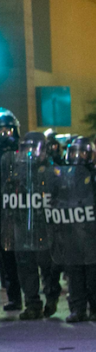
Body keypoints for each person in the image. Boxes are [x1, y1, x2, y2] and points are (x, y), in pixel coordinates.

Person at [1, 131, 62, 319]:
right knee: (25, 264)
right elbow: (7, 193)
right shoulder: (17, 171)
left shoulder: (52, 171)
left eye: (34, 149)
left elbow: (60, 197)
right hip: (22, 224)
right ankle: (32, 304)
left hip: (44, 225)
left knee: (48, 265)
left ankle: (51, 297)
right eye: (27, 149)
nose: (30, 154)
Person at [47, 137, 96, 322]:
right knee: (74, 273)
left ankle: (95, 306)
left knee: (93, 274)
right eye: (73, 153)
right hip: (70, 231)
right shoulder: (64, 176)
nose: (77, 157)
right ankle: (77, 309)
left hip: (90, 233)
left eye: (82, 153)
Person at [0, 109, 23, 312]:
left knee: (22, 257)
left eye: (8, 131)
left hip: (19, 211)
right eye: (1, 131)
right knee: (6, 258)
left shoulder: (23, 154)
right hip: (2, 213)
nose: (5, 135)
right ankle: (14, 296)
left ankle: (30, 296)